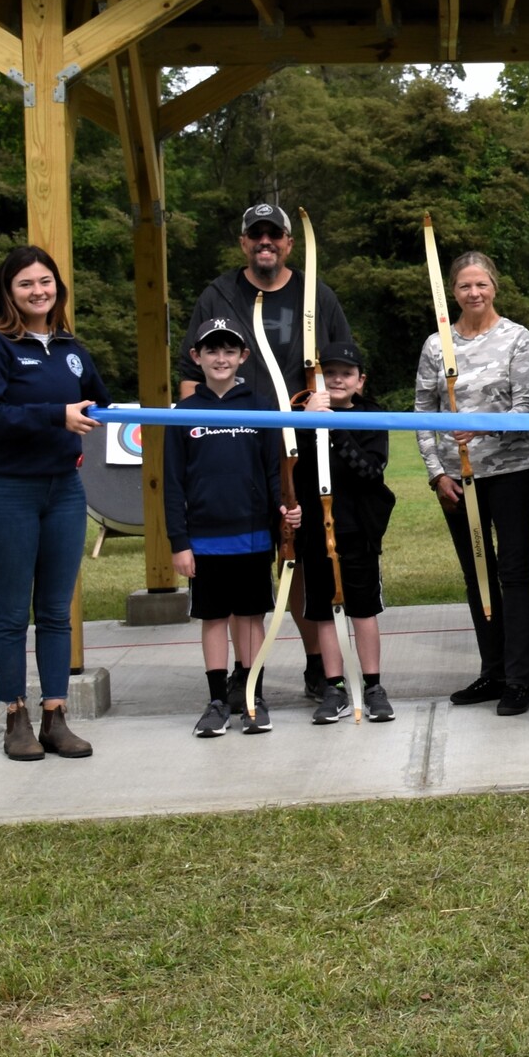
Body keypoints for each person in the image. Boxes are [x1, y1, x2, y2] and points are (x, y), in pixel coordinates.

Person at [176, 200, 354, 702]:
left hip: (303, 450)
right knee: (244, 562)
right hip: (236, 450)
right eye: (256, 235)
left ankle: (318, 664)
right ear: (243, 243)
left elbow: (343, 370)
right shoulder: (220, 295)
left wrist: (331, 401)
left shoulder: (315, 295)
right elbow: (192, 379)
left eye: (274, 234)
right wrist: (194, 445)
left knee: (300, 559)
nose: (265, 243)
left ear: (289, 242)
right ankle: (243, 671)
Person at [0, 245, 108, 762]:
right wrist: (55, 416)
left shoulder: (70, 347)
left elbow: (100, 402)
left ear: (58, 288)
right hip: (8, 491)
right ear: (9, 291)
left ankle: (54, 715)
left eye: (46, 282)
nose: (38, 291)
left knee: (55, 612)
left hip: (64, 491)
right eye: (26, 284)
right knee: (10, 614)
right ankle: (15, 717)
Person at [415, 250, 529, 717]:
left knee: (514, 572)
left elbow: (527, 406)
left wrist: (484, 426)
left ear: (495, 287)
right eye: (465, 286)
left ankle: (519, 679)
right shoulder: (437, 346)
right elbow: (423, 414)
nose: (474, 293)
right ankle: (492, 670)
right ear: (453, 292)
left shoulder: (517, 338)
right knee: (478, 574)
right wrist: (437, 474)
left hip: (512, 471)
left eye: (481, 285)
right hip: (460, 479)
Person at [164, 318, 299, 737]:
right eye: (211, 351)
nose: (220, 359)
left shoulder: (259, 406)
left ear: (242, 356)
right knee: (213, 617)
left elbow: (275, 470)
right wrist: (179, 542)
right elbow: (171, 481)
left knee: (249, 616)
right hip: (204, 538)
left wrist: (284, 514)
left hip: (253, 534)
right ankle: (217, 700)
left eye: (228, 351)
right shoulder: (183, 413)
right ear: (196, 358)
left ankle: (252, 695)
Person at [295, 342, 398, 725]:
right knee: (324, 611)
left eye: (346, 374)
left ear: (360, 381)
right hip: (317, 529)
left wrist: (334, 427)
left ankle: (372, 685)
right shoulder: (303, 416)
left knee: (363, 607)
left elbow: (370, 471)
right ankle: (334, 686)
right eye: (330, 373)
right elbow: (294, 466)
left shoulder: (371, 417)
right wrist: (308, 422)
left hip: (357, 528)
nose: (338, 380)